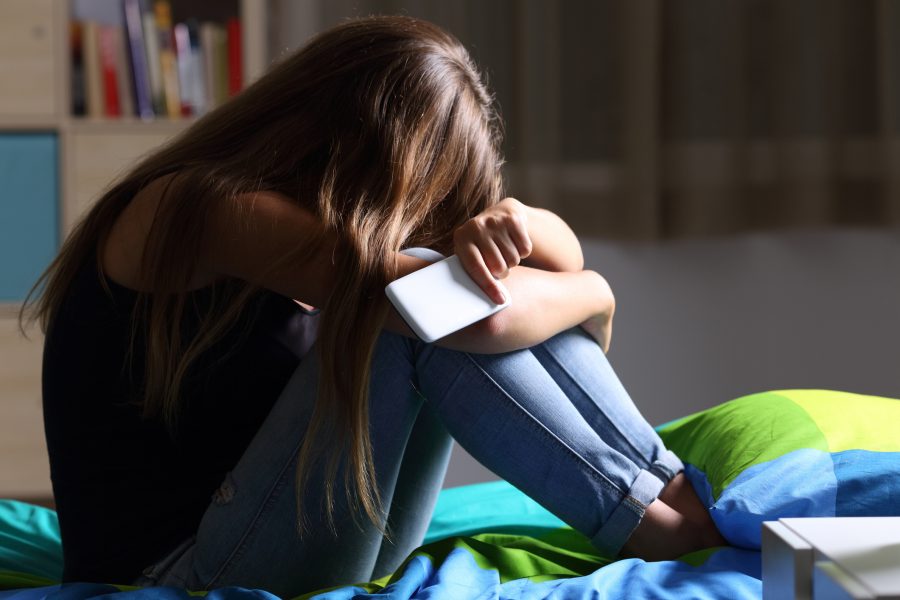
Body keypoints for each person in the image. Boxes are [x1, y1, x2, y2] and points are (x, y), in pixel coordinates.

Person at [22, 15, 725, 598]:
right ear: (360, 147)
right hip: (180, 572)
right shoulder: (202, 208)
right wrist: (597, 296)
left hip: (303, 531)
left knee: (435, 292)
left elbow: (551, 260)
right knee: (419, 313)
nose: (414, 217)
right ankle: (655, 518)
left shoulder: (325, 226)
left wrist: (513, 220)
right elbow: (472, 319)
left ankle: (663, 490)